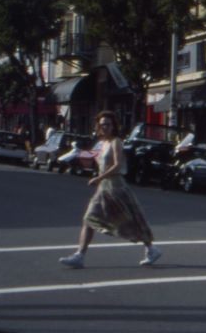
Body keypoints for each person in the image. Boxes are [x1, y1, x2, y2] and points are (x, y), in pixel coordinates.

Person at [59, 110, 161, 269]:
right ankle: (80, 255)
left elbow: (117, 165)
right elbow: (99, 161)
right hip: (104, 187)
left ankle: (151, 248)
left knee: (131, 220)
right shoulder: (102, 143)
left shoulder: (116, 142)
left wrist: (99, 178)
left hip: (116, 186)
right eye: (102, 125)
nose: (105, 127)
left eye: (108, 124)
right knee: (89, 219)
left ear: (114, 126)